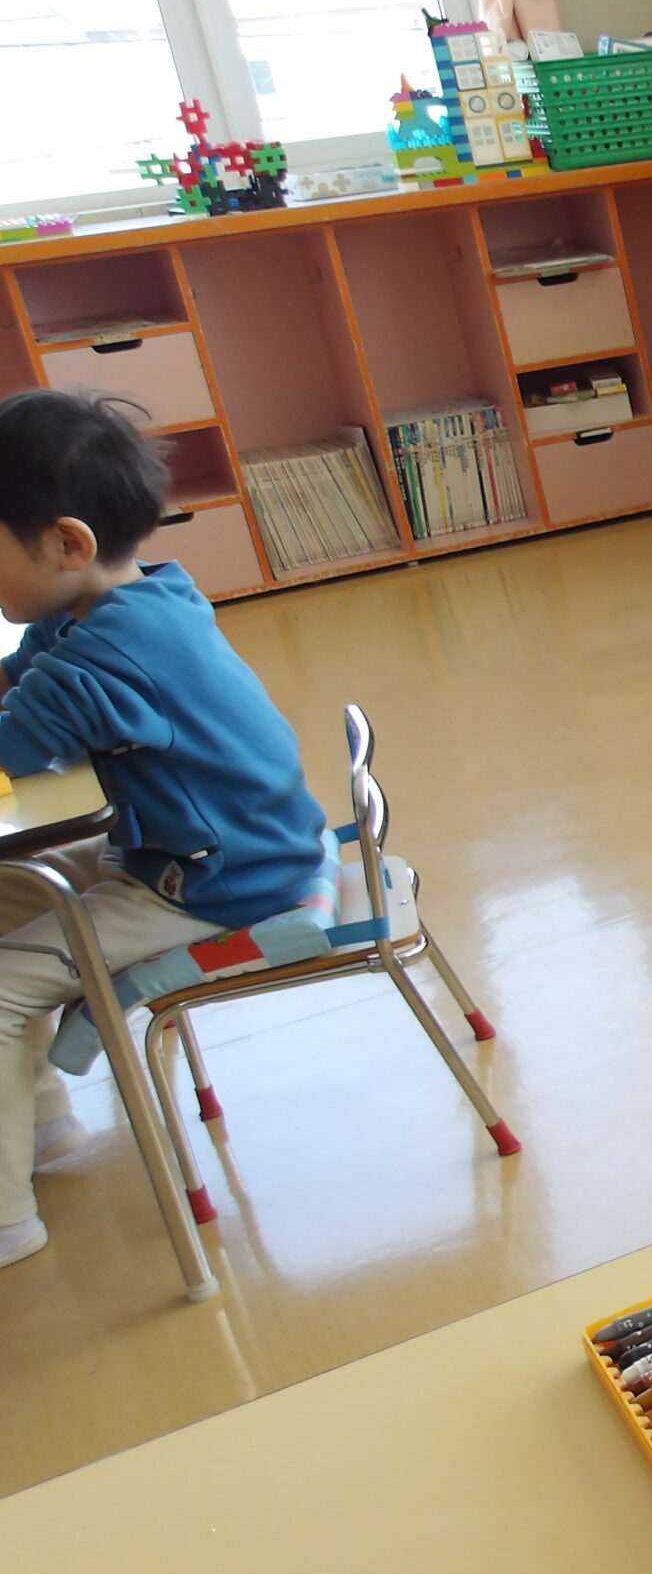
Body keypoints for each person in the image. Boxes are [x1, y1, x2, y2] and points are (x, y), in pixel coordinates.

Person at [0, 389, 328, 1269]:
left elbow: (11, 744)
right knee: (7, 896)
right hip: (223, 845)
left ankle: (6, 1222)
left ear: (68, 544)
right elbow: (18, 688)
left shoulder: (102, 656)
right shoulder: (129, 600)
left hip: (218, 881)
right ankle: (44, 1127)